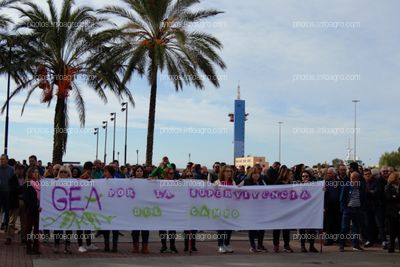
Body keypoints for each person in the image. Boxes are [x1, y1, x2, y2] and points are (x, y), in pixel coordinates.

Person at [339, 171, 365, 252]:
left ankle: (355, 245)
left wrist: (362, 208)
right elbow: (342, 198)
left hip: (357, 210)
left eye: (354, 178)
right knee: (345, 228)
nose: (352, 180)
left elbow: (364, 197)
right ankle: (341, 245)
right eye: (351, 178)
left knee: (356, 228)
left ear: (358, 178)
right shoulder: (346, 186)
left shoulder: (361, 186)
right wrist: (344, 209)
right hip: (348, 210)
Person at [243, 167, 267, 253]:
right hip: (251, 209)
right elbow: (238, 189)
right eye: (254, 173)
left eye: (258, 173)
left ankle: (260, 245)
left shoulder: (262, 182)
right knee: (252, 227)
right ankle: (252, 246)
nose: (256, 175)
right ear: (251, 174)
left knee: (262, 228)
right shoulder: (246, 182)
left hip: (261, 208)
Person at [76, 161, 98, 253]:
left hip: (88, 205)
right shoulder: (82, 177)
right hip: (80, 205)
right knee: (80, 226)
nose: (91, 171)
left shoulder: (91, 177)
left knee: (88, 225)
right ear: (86, 169)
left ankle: (88, 244)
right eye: (90, 169)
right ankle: (80, 245)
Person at [215, 165, 236, 253]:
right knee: (221, 228)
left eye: (230, 171)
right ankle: (220, 245)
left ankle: (227, 244)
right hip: (220, 208)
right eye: (227, 171)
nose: (229, 173)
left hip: (230, 208)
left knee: (229, 227)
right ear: (223, 172)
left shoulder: (233, 182)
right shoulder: (217, 182)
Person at [272, 165, 294, 253]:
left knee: (286, 228)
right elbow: (273, 195)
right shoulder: (277, 183)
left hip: (287, 209)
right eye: (290, 174)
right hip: (278, 209)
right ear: (285, 174)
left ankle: (286, 245)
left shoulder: (290, 184)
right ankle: (276, 245)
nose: (291, 175)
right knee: (277, 228)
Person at [53, 166, 73, 254]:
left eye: (65, 172)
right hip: (58, 208)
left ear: (69, 174)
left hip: (69, 209)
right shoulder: (54, 181)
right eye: (61, 172)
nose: (63, 174)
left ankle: (67, 246)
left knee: (69, 228)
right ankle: (56, 245)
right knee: (57, 228)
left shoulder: (74, 182)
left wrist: (88, 182)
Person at [363, 168, 385, 248]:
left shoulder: (376, 181)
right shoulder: (362, 183)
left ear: (371, 174)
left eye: (369, 174)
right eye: (365, 174)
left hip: (376, 206)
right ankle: (369, 241)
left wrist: (368, 192)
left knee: (380, 224)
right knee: (368, 225)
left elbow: (376, 192)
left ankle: (383, 241)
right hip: (366, 207)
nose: (367, 175)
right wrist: (370, 192)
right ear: (363, 175)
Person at [158, 167, 178, 253]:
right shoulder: (159, 183)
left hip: (173, 209)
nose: (172, 175)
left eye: (173, 173)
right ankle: (164, 245)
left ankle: (172, 245)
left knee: (172, 229)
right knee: (162, 229)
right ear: (166, 174)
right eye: (170, 173)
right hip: (162, 209)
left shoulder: (176, 183)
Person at [130, 165, 150, 254]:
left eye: (140, 171)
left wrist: (153, 181)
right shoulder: (131, 181)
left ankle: (145, 247)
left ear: (143, 172)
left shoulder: (148, 181)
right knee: (135, 230)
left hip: (145, 209)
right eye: (137, 171)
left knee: (145, 229)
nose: (139, 172)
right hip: (134, 209)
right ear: (135, 172)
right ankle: (135, 247)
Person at [6, 163, 26, 245]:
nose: (21, 170)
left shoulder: (26, 179)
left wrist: (22, 189)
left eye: (22, 169)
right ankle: (9, 237)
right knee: (12, 221)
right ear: (15, 170)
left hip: (24, 202)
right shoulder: (12, 179)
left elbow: (28, 190)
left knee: (24, 221)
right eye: (19, 169)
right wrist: (23, 188)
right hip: (15, 201)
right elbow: (14, 190)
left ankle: (24, 238)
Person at [299, 170, 318, 253]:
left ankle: (311, 246)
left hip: (311, 210)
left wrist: (323, 190)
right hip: (302, 211)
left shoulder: (314, 187)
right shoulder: (298, 187)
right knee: (302, 229)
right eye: (303, 176)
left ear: (310, 177)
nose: (305, 178)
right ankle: (302, 246)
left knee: (312, 229)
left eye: (306, 176)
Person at [24, 167, 41, 255]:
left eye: (37, 172)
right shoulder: (28, 184)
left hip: (39, 210)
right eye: (34, 172)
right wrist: (35, 206)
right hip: (31, 210)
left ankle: (36, 248)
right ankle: (28, 247)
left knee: (37, 230)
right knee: (29, 229)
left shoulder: (40, 183)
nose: (35, 174)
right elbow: (26, 199)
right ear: (30, 174)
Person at [102, 165, 119, 252]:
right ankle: (107, 245)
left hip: (115, 208)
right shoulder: (101, 182)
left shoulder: (118, 181)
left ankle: (115, 246)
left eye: (106, 171)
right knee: (106, 228)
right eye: (104, 171)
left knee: (115, 228)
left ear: (110, 172)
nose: (104, 173)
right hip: (105, 208)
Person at [324, 167, 341, 246]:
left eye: (330, 173)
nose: (328, 174)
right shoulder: (325, 182)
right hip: (329, 206)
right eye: (327, 173)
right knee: (329, 224)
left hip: (338, 206)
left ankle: (337, 238)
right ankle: (329, 239)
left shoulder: (339, 182)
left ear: (334, 174)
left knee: (337, 223)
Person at [384, 172, 400, 253]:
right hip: (391, 212)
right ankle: (391, 247)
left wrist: (395, 197)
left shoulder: (398, 187)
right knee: (392, 230)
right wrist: (396, 197)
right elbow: (389, 198)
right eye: (398, 178)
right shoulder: (388, 187)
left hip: (398, 211)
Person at [0, 154, 14, 233]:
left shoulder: (11, 169)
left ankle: (6, 225)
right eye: (0, 159)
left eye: (3, 159)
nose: (1, 161)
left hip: (8, 193)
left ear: (7, 160)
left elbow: (13, 181)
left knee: (7, 210)